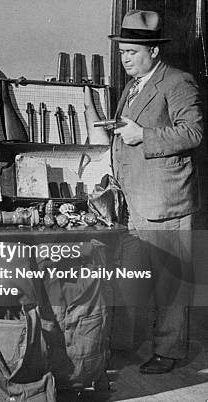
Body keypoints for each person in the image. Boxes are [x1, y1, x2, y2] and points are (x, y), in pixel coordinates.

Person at [109, 10, 203, 374]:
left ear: (154, 51)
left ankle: (169, 351)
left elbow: (192, 133)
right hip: (135, 199)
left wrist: (142, 136)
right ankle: (127, 345)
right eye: (122, 52)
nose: (125, 58)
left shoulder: (178, 82)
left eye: (132, 52)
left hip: (166, 200)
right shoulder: (132, 87)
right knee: (134, 278)